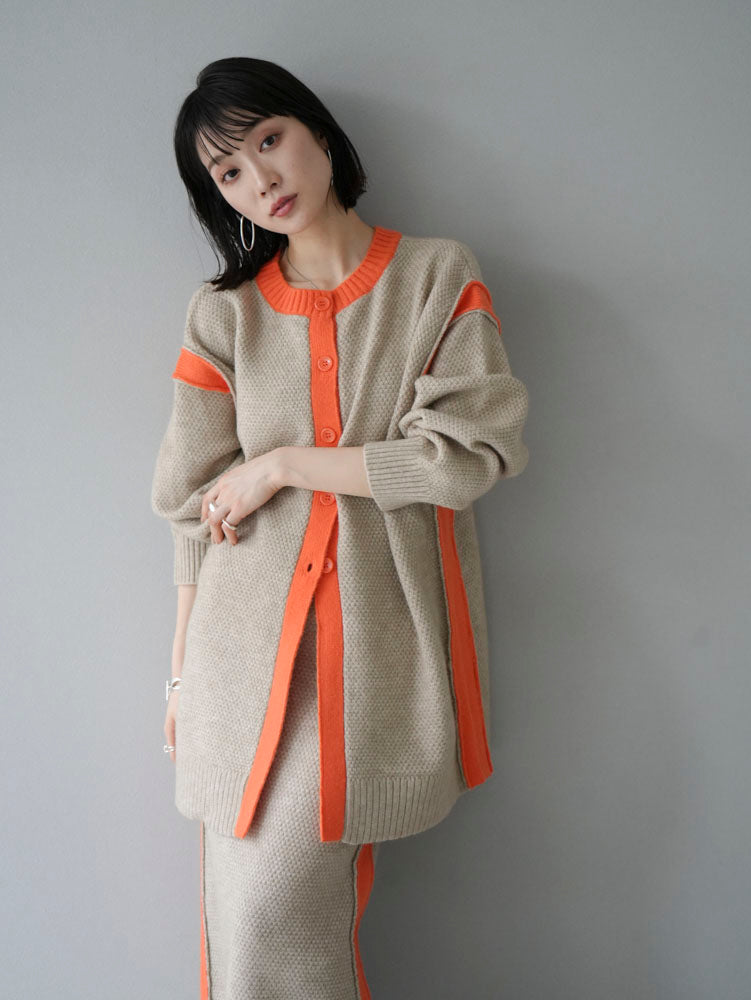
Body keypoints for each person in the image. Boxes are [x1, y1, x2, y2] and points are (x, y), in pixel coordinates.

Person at [150, 56, 530, 1000]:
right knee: (245, 928)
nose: (260, 178)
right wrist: (182, 673)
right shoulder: (222, 316)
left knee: (277, 916)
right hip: (238, 662)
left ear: (317, 132)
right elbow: (191, 508)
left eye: (269, 140)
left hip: (371, 654)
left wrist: (282, 464)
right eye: (228, 170)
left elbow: (465, 456)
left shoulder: (436, 276)